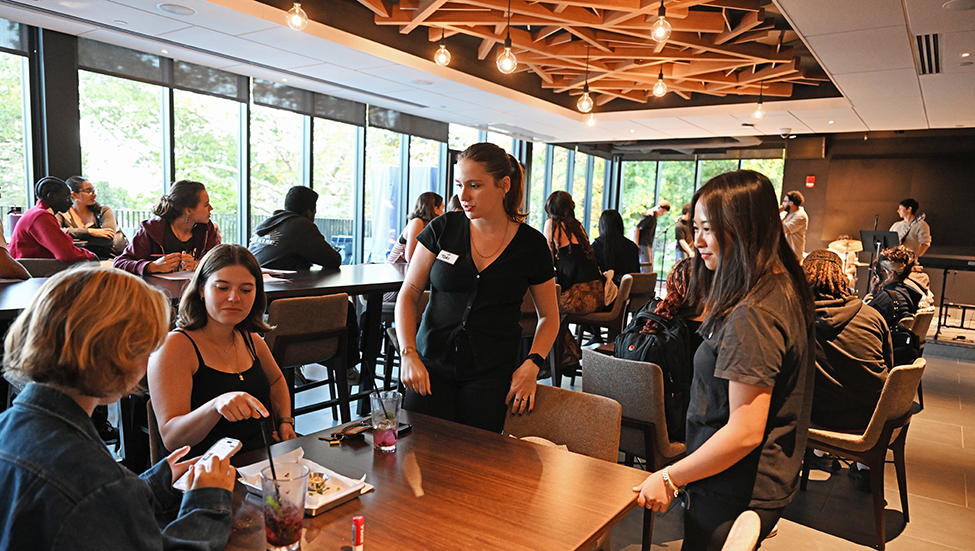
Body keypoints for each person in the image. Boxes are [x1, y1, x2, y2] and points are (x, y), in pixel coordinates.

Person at [633, 170, 814, 550]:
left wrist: (670, 477)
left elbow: (744, 431)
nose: (697, 241)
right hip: (747, 481)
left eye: (708, 229)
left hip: (732, 486)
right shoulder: (780, 285)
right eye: (696, 228)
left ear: (743, 227)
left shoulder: (755, 312)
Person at [0, 267, 234, 550]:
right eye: (147, 349)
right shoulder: (99, 484)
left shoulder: (10, 425)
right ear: (118, 353)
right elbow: (94, 496)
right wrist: (208, 501)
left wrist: (149, 485)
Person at [394, 142, 559, 433]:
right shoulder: (443, 228)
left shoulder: (532, 245)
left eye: (475, 185)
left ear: (504, 185)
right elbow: (409, 294)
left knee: (477, 455)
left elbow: (549, 316)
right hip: (430, 366)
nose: (464, 196)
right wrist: (408, 354)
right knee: (418, 450)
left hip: (491, 374)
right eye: (460, 185)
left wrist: (532, 364)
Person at [148, 244, 296, 458]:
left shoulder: (251, 340)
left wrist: (285, 421)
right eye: (222, 287)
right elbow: (172, 439)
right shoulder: (175, 347)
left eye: (246, 290)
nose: (234, 298)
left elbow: (276, 381)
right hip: (201, 471)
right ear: (201, 289)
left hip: (259, 462)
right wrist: (215, 406)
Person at [802, 249, 892, 490]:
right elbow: (890, 369)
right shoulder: (872, 315)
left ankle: (815, 455)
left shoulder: (797, 318)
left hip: (821, 417)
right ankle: (864, 468)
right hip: (875, 418)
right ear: (842, 278)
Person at [113, 180, 220, 275]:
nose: (211, 208)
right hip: (156, 290)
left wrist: (197, 265)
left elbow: (220, 262)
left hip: (195, 291)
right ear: (188, 210)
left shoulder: (207, 230)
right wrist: (152, 266)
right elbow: (119, 263)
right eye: (206, 204)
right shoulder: (151, 230)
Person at [248, 185, 342, 270]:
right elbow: (334, 261)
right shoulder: (301, 226)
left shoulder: (270, 223)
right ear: (309, 213)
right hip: (277, 282)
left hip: (256, 280)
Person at [8, 176, 97, 263]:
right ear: (51, 197)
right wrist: (92, 256)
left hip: (28, 265)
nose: (71, 202)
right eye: (67, 197)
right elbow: (66, 254)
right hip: (29, 269)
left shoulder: (35, 212)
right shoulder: (41, 216)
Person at [544, 191, 604, 315]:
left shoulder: (551, 224)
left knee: (542, 308)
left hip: (577, 299)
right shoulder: (577, 226)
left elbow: (547, 259)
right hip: (598, 296)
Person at [56, 175, 127, 258]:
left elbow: (107, 238)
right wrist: (90, 232)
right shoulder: (61, 213)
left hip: (105, 257)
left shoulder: (103, 211)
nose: (94, 194)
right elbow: (57, 233)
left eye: (94, 190)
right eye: (89, 191)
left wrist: (73, 237)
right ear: (74, 194)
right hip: (76, 259)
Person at [865, 245, 921, 331]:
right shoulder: (908, 294)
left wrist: (871, 293)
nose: (876, 277)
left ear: (891, 274)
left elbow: (863, 318)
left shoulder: (886, 297)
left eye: (878, 272)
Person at [591, 209, 640, 284]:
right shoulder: (632, 246)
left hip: (605, 289)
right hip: (628, 289)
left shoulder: (596, 246)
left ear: (602, 226)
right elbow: (636, 275)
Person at [634, 200, 671, 273]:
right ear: (659, 207)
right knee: (646, 268)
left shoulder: (654, 216)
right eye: (662, 212)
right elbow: (637, 228)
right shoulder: (649, 214)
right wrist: (636, 244)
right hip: (643, 244)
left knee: (649, 267)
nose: (662, 214)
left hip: (648, 244)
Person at [779, 190, 808, 260]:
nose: (782, 204)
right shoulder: (785, 213)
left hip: (793, 254)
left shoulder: (800, 216)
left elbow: (786, 230)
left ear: (791, 203)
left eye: (785, 201)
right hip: (783, 252)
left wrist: (777, 213)